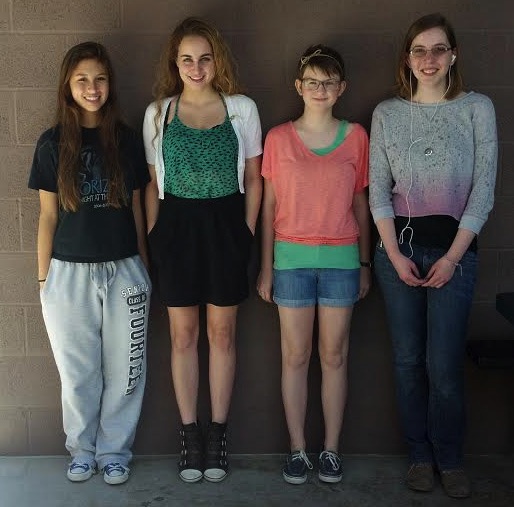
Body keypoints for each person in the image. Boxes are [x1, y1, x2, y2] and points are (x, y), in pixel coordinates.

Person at [369, 13, 497, 499]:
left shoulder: (476, 109)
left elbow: (483, 192)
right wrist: (394, 253)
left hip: (456, 255)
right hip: (396, 254)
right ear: (407, 58)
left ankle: (450, 457)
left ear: (453, 56)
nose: (429, 59)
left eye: (438, 49)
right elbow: (377, 193)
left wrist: (451, 258)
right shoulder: (387, 114)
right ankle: (419, 457)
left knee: (443, 367)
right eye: (419, 50)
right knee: (406, 361)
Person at [143, 17, 262, 483]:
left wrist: (246, 233)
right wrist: (155, 234)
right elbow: (154, 186)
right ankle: (190, 435)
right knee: (183, 337)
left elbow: (254, 179)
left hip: (226, 228)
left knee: (223, 334)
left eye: (205, 58)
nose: (197, 67)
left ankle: (218, 435)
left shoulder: (241, 109)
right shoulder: (159, 113)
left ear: (218, 61)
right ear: (175, 63)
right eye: (187, 58)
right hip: (176, 230)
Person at [28, 42, 151, 485]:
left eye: (99, 78)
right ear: (68, 85)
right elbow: (47, 216)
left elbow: (138, 208)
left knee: (125, 372)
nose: (92, 87)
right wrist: (45, 280)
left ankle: (115, 451)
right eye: (82, 79)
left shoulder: (126, 139)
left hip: (125, 269)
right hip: (68, 272)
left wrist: (144, 267)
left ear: (110, 84)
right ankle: (82, 451)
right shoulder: (51, 143)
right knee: (78, 373)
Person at [257, 44, 371, 485]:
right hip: (290, 261)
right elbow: (268, 208)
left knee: (335, 356)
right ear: (298, 86)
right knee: (295, 355)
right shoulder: (278, 138)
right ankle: (298, 450)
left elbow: (361, 205)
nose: (320, 90)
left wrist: (363, 265)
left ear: (341, 88)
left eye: (328, 83)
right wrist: (266, 267)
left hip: (342, 260)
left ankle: (331, 451)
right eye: (312, 82)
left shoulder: (356, 137)